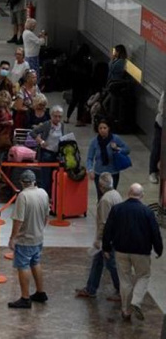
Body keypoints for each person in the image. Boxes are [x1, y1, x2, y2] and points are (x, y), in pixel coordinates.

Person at [102, 183, 163, 321]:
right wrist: (158, 249)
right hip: (141, 251)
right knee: (143, 275)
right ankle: (136, 301)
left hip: (121, 250)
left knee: (125, 280)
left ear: (128, 194)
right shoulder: (147, 212)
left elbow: (108, 229)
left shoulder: (117, 209)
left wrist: (106, 248)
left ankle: (126, 311)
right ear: (141, 196)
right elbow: (155, 233)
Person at [75, 173, 122, 301]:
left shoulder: (105, 200)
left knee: (111, 264)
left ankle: (121, 290)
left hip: (108, 239)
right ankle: (91, 288)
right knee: (98, 261)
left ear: (100, 186)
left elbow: (104, 222)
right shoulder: (116, 195)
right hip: (114, 236)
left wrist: (99, 239)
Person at [7, 170, 50, 309]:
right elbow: (46, 215)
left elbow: (18, 220)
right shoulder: (43, 193)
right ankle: (40, 292)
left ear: (21, 182)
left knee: (23, 266)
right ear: (34, 181)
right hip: (38, 237)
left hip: (25, 239)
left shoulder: (23, 196)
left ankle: (25, 298)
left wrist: (13, 238)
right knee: (36, 262)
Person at [86, 119, 131, 199]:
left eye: (105, 128)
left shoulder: (115, 138)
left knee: (112, 196)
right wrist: (90, 170)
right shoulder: (94, 142)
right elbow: (89, 158)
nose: (102, 130)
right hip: (99, 173)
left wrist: (117, 148)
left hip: (113, 173)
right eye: (100, 128)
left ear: (108, 128)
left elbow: (127, 149)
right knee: (101, 197)